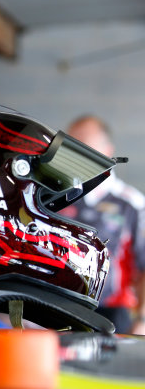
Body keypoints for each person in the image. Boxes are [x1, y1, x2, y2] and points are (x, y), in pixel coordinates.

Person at [60, 115, 145, 334]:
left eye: (85, 147)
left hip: (114, 313)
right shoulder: (53, 199)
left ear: (107, 151)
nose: (77, 156)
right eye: (71, 147)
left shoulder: (131, 203)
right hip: (59, 309)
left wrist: (143, 320)